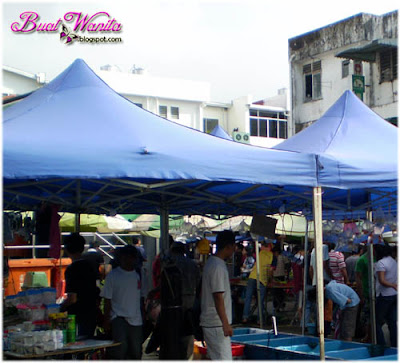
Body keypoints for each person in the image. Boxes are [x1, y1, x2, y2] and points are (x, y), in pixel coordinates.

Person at [101, 245, 144, 359]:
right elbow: (107, 300)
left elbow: (142, 298)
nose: (128, 260)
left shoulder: (139, 274)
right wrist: (106, 320)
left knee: (136, 352)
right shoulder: (113, 276)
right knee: (119, 351)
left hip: (136, 319)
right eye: (125, 257)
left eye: (131, 257)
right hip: (118, 317)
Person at [200, 230, 236, 360]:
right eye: (234, 246)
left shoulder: (213, 263)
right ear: (229, 246)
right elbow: (218, 296)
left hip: (215, 323)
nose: (234, 250)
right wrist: (225, 323)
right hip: (216, 323)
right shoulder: (217, 266)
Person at [60, 233, 98, 338]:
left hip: (78, 314)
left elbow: (72, 298)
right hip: (92, 311)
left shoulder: (72, 269)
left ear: (67, 249)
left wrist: (60, 308)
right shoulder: (90, 265)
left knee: (77, 345)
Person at [242, 240, 273, 324]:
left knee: (248, 298)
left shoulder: (260, 253)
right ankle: (259, 320)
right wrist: (270, 279)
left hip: (252, 276)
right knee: (260, 300)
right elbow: (269, 269)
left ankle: (245, 317)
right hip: (262, 279)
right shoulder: (270, 255)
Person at [374, 244, 397, 347]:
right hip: (394, 295)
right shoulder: (393, 261)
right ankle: (394, 344)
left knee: (377, 322)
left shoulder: (381, 263)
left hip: (384, 295)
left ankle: (381, 344)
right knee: (392, 321)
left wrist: (392, 285)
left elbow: (382, 280)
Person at [355, 244, 373, 342]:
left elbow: (358, 279)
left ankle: (369, 336)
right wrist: (361, 294)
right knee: (367, 317)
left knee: (368, 317)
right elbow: (359, 278)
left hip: (375, 292)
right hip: (367, 292)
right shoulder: (362, 260)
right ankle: (369, 336)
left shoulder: (376, 258)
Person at [272, 245, 289, 312]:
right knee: (277, 292)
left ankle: (279, 305)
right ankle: (277, 305)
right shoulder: (274, 258)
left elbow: (287, 264)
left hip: (280, 276)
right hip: (276, 276)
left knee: (279, 292)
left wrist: (287, 272)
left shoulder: (282, 257)